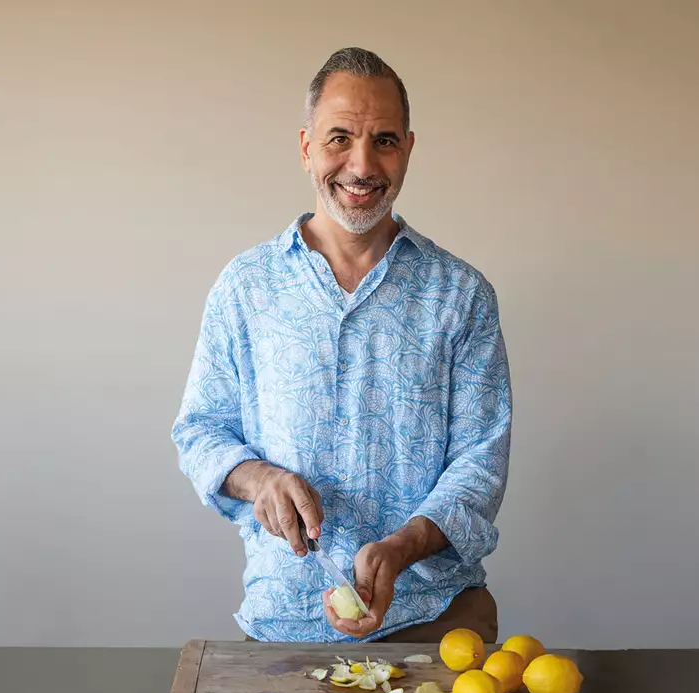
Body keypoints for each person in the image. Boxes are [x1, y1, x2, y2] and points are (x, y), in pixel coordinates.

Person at [172, 47, 512, 643]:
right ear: (306, 146)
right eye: (338, 139)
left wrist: (404, 546)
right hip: (284, 626)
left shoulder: (462, 294)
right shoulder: (245, 287)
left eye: (383, 140)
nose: (361, 164)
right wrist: (258, 479)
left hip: (436, 621)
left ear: (407, 149)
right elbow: (200, 430)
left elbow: (481, 460)